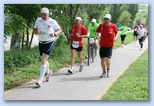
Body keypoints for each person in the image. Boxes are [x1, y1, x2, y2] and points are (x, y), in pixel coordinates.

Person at [34, 7, 62, 87]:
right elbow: (35, 30)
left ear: (48, 14)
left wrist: (55, 34)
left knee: (43, 59)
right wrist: (36, 32)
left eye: (45, 15)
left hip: (49, 42)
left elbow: (59, 30)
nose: (43, 16)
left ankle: (40, 79)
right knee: (43, 60)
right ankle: (49, 72)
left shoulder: (53, 22)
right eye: (42, 14)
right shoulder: (38, 20)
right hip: (41, 42)